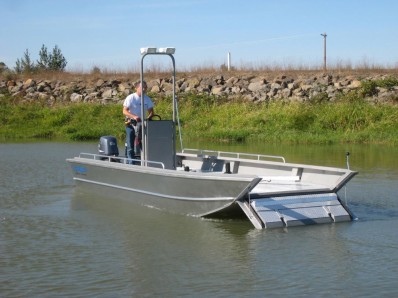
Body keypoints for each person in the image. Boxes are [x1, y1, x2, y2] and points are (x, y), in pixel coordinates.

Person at [123, 80, 154, 163]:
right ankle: (131, 163)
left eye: (145, 87)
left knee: (143, 144)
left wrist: (147, 118)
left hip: (142, 125)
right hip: (131, 124)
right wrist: (134, 116)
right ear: (136, 88)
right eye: (142, 87)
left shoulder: (147, 99)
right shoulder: (131, 98)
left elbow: (151, 112)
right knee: (130, 145)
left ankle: (144, 162)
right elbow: (124, 111)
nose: (144, 89)